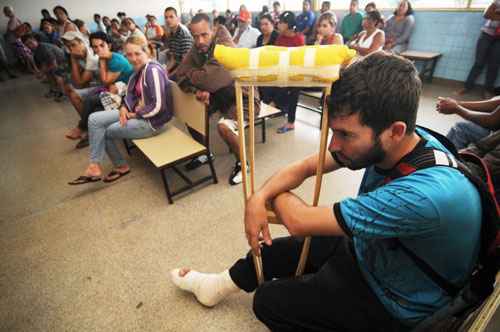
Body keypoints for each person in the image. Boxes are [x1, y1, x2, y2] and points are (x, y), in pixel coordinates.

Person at [170, 52, 482, 331]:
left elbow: (299, 219)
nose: (333, 145)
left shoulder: (423, 195)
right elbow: (305, 167)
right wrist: (258, 198)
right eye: (333, 131)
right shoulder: (401, 139)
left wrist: (266, 196)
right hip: (378, 250)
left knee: (268, 301)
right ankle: (217, 286)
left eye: (345, 134)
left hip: (397, 303)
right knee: (277, 251)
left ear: (394, 131)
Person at [68, 36, 172, 185]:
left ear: (147, 51)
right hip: (137, 114)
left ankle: (120, 166)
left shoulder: (152, 70)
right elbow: (129, 93)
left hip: (151, 122)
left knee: (105, 130)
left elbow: (158, 106)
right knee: (94, 119)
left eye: (137, 54)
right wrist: (124, 108)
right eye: (129, 55)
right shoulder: (139, 69)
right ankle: (94, 165)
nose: (133, 59)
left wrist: (134, 114)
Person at [175, 13, 260, 185]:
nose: (199, 40)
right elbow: (180, 75)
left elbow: (210, 80)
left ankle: (244, 164)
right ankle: (204, 154)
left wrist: (203, 82)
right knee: (192, 113)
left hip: (243, 97)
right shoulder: (199, 46)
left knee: (224, 127)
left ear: (213, 29)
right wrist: (198, 87)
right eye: (195, 36)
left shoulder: (225, 47)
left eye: (204, 35)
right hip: (219, 95)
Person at [69, 31, 134, 149]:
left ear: (108, 46)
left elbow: (105, 80)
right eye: (95, 47)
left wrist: (103, 61)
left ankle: (82, 128)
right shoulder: (103, 57)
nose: (98, 49)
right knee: (91, 104)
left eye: (101, 45)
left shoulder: (115, 60)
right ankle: (88, 132)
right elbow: (106, 83)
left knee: (90, 102)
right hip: (114, 90)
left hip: (125, 93)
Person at [61, 31, 101, 140]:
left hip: (106, 85)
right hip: (98, 85)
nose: (71, 50)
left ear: (82, 42)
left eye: (73, 45)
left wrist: (73, 60)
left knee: (75, 94)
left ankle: (85, 127)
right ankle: (87, 126)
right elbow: (77, 81)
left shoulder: (92, 56)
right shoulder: (81, 57)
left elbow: (80, 82)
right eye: (68, 47)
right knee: (72, 91)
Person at [458, 1, 500, 99]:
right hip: (487, 35)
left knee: (494, 65)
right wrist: (495, 14)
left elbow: (492, 15)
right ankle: (467, 87)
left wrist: (496, 14)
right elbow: (487, 14)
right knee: (479, 63)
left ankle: (487, 90)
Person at [273, 11, 305, 134]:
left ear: (288, 25)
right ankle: (277, 106)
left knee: (294, 92)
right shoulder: (280, 37)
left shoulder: (299, 39)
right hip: (283, 71)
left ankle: (291, 123)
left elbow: (301, 60)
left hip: (296, 73)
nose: (278, 24)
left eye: (281, 22)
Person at [22, 33, 66, 100]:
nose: (29, 46)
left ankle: (63, 93)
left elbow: (54, 64)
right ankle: (53, 90)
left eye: (30, 42)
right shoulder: (36, 49)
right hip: (55, 62)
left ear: (35, 40)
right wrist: (41, 72)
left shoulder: (44, 47)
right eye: (27, 45)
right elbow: (44, 62)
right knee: (48, 73)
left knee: (57, 74)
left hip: (64, 62)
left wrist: (42, 73)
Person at [161, 7, 193, 75]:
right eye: (166, 17)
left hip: (187, 70)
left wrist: (170, 75)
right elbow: (174, 59)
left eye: (171, 17)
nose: (168, 20)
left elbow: (186, 63)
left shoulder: (183, 34)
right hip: (178, 66)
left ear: (177, 18)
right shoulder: (172, 33)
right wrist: (165, 71)